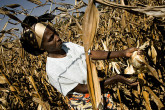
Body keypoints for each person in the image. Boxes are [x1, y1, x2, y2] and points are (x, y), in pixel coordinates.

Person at [20, 15, 140, 109]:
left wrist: (122, 53)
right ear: (41, 47)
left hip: (98, 89)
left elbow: (90, 54)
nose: (57, 37)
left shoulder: (67, 46)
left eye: (55, 33)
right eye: (51, 39)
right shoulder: (53, 70)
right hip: (85, 102)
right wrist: (116, 79)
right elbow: (83, 89)